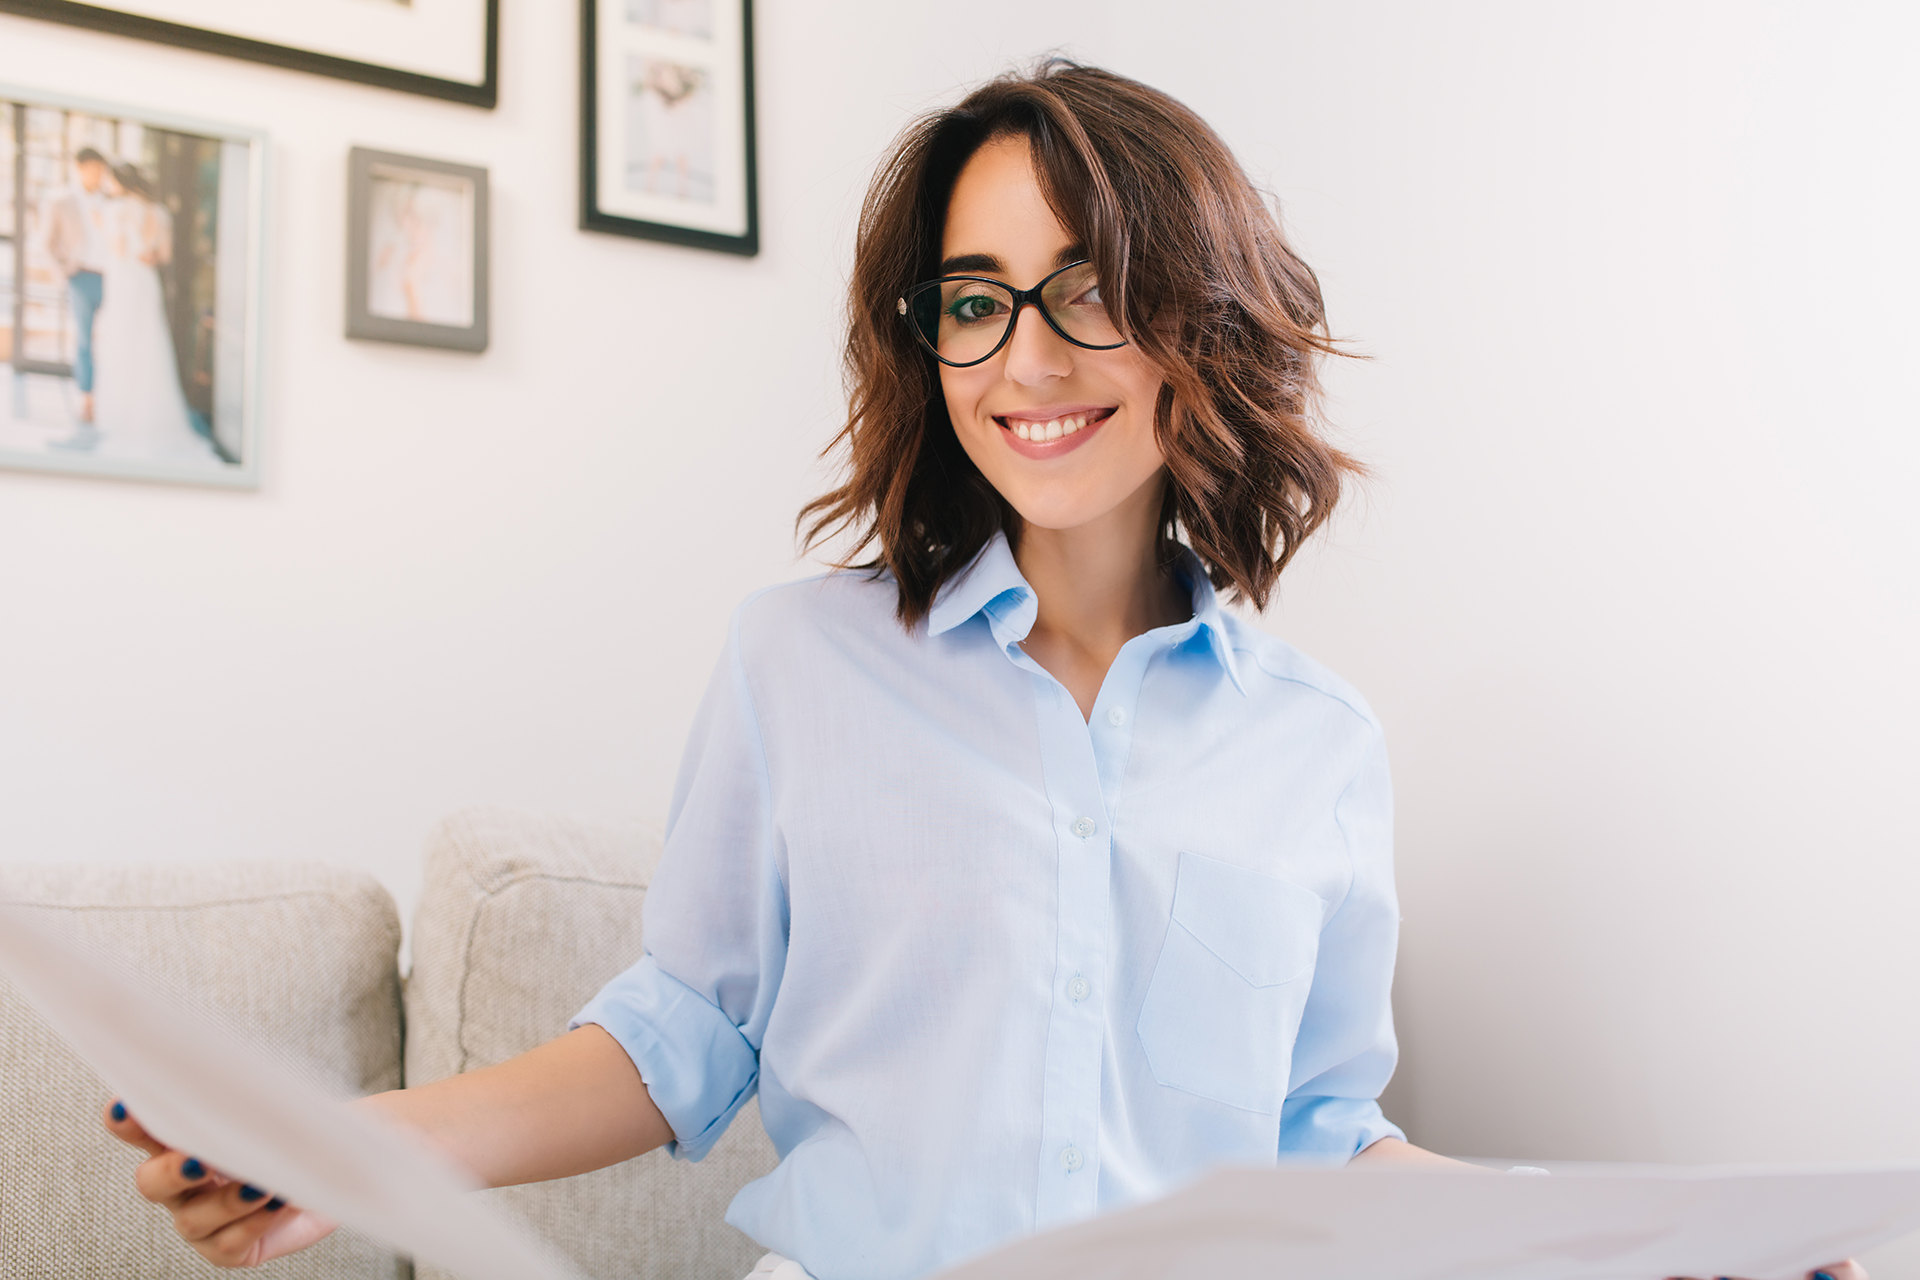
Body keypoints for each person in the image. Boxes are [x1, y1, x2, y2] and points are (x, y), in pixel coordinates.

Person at [102, 62, 1863, 1280]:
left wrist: (1636, 1242)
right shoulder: (801, 661)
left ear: (1201, 324)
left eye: (1087, 289)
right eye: (972, 300)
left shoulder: (1319, 746)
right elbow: (678, 1038)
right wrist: (348, 1150)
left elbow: (1328, 1142)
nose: (1025, 358)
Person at [89, 161, 216, 464]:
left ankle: (120, 416)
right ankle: (154, 415)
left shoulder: (115, 210)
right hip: (146, 282)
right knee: (149, 344)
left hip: (123, 281)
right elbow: (163, 256)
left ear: (121, 182)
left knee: (121, 343)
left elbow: (118, 249)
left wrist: (101, 226)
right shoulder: (159, 213)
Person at [42, 146, 111, 449]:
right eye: (93, 168)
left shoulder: (111, 200)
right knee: (84, 341)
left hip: (112, 279)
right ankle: (87, 399)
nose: (98, 175)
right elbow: (45, 242)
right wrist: (62, 272)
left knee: (110, 340)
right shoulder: (61, 200)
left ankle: (110, 396)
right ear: (80, 168)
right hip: (80, 276)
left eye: (101, 169)